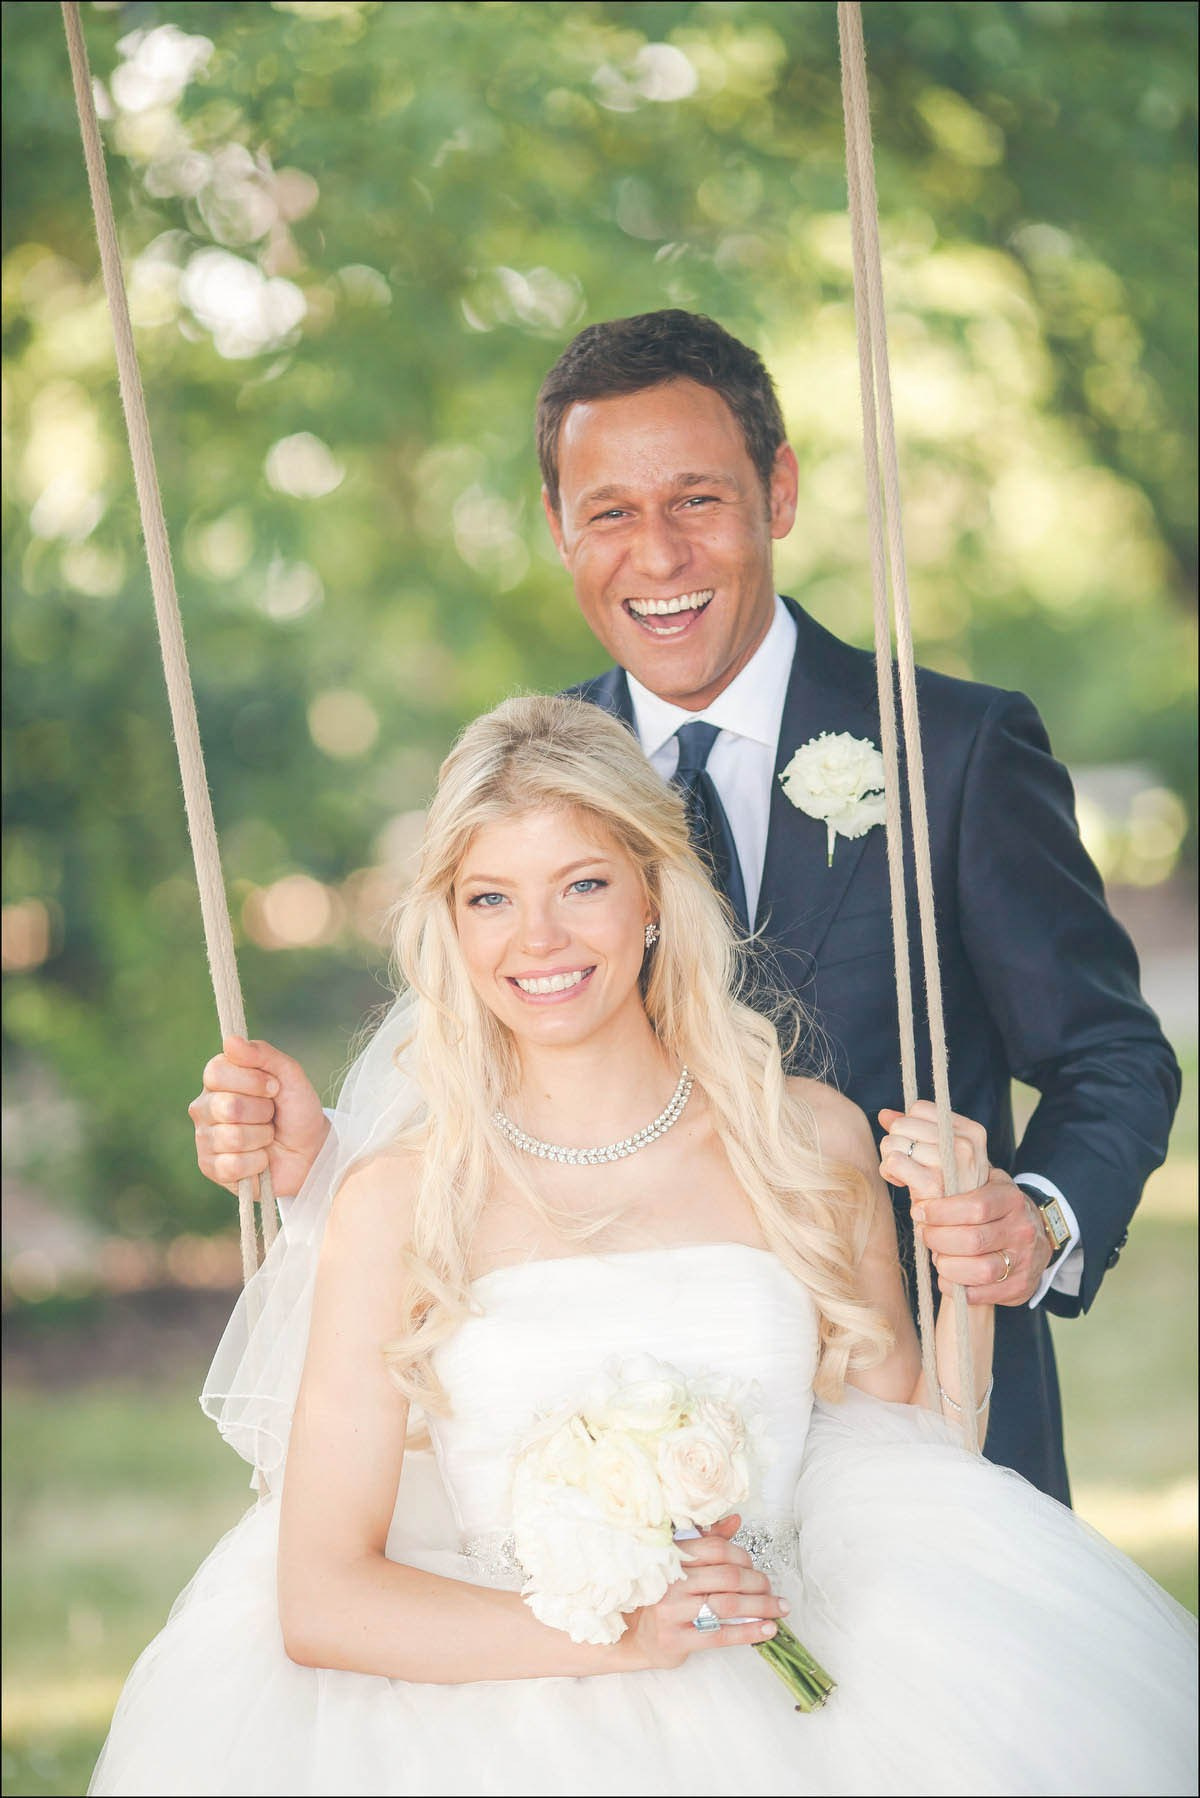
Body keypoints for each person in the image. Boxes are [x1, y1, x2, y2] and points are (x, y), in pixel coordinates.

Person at [94, 696, 1193, 1798]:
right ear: (452, 925)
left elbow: (913, 1463)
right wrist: (622, 1637)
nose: (539, 940)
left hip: (800, 1698)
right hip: (492, 1721)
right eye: (491, 898)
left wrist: (970, 1280)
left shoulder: (803, 1137)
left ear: (655, 894)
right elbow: (323, 1601)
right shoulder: (399, 1201)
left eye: (582, 884)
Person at [191, 311, 1180, 1504]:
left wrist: (1037, 1221)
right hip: (620, 1463)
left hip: (927, 1439)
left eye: (698, 501)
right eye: (609, 511)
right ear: (559, 528)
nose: (657, 556)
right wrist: (321, 1169)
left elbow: (1110, 1053)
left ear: (779, 491)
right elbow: (483, 1091)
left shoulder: (949, 751)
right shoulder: (521, 774)